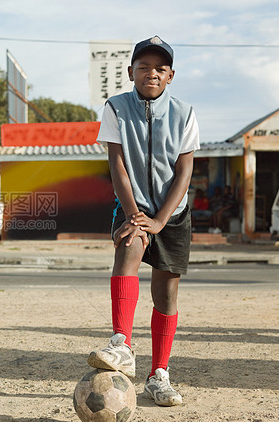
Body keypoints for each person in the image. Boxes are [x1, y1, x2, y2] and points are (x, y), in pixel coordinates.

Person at [88, 36, 200, 407]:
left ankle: (159, 376)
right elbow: (116, 164)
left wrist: (160, 219)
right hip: (132, 206)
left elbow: (184, 171)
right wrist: (136, 214)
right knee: (128, 247)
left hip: (174, 212)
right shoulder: (116, 108)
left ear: (171, 75)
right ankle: (121, 345)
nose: (151, 73)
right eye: (143, 66)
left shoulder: (185, 113)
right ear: (131, 71)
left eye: (160, 68)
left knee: (165, 293)